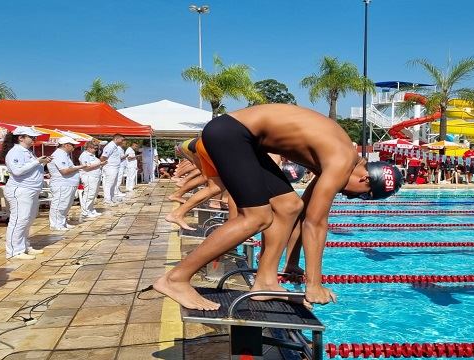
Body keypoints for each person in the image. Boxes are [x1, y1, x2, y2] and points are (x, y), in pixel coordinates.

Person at [153, 104, 402, 310]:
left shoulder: (339, 156)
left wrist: (292, 263)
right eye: (360, 196)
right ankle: (175, 279)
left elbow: (303, 212)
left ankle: (265, 281)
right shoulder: (341, 160)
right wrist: (313, 285)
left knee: (288, 205)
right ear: (365, 179)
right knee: (256, 217)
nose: (348, 197)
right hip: (231, 134)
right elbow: (316, 223)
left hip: (244, 138)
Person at [1, 127, 51, 260]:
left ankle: (23, 245)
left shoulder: (27, 152)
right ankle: (14, 251)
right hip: (20, 189)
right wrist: (37, 161)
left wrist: (41, 163)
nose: (34, 139)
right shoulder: (15, 152)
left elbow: (30, 168)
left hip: (31, 189)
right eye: (31, 137)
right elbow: (17, 171)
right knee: (19, 219)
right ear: (21, 138)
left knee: (28, 219)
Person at [47, 137, 88, 230]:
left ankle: (62, 222)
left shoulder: (65, 155)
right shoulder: (59, 155)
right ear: (66, 145)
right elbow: (64, 171)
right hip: (62, 184)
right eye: (73, 145)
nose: (74, 147)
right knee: (60, 204)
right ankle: (56, 224)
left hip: (68, 184)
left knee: (66, 204)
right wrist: (80, 167)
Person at [78, 141, 107, 219]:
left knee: (93, 194)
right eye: (94, 148)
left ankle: (90, 209)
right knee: (89, 195)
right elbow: (86, 167)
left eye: (96, 148)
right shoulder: (84, 156)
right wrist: (99, 164)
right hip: (89, 177)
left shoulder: (93, 155)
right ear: (88, 148)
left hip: (95, 176)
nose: (96, 150)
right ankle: (85, 211)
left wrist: (101, 164)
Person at [99, 134, 125, 204]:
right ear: (116, 139)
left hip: (115, 167)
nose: (122, 142)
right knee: (109, 184)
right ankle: (107, 199)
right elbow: (103, 157)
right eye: (122, 140)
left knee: (113, 184)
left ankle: (112, 197)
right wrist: (104, 164)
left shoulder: (115, 146)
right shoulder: (110, 146)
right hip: (110, 167)